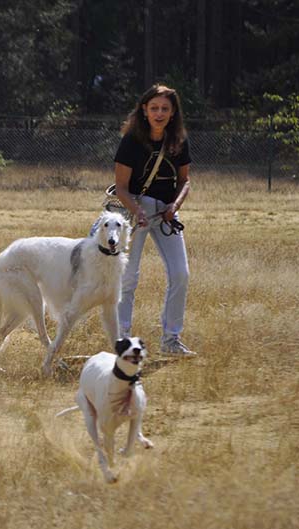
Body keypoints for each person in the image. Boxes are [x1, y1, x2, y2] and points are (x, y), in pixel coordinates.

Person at [113, 83, 195, 356]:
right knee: (128, 277)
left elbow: (184, 181)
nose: (159, 113)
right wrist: (137, 211)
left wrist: (175, 205)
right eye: (154, 108)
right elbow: (121, 187)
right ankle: (122, 339)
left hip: (167, 213)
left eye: (165, 109)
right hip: (136, 209)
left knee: (180, 273)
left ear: (173, 113)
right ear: (144, 110)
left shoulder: (178, 141)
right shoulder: (131, 141)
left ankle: (171, 339)